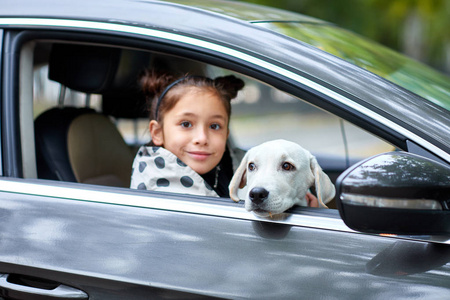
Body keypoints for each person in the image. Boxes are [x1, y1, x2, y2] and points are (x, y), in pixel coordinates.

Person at [130, 70, 245, 197]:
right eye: (186, 124)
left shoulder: (234, 166)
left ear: (226, 134)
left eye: (214, 126)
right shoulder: (159, 196)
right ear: (158, 133)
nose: (202, 138)